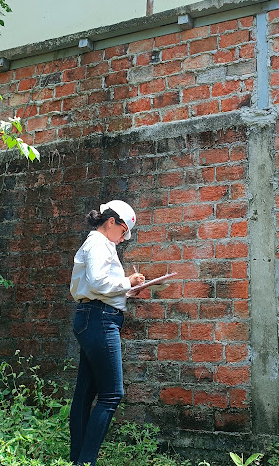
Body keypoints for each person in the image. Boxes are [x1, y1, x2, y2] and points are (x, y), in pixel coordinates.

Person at [69, 200, 145, 466]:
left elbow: (99, 286)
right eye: (123, 232)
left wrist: (127, 290)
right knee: (112, 394)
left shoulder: (101, 244)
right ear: (111, 221)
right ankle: (85, 462)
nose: (123, 239)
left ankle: (78, 460)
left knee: (86, 392)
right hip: (100, 319)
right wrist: (127, 281)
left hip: (95, 316)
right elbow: (98, 282)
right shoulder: (98, 243)